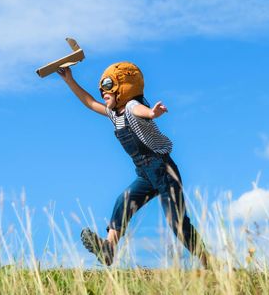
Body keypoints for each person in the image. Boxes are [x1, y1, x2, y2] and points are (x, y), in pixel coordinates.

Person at [57, 62, 209, 268]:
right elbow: (90, 103)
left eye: (108, 86)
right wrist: (69, 80)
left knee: (177, 223)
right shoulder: (114, 115)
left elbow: (140, 110)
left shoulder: (130, 107)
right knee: (124, 202)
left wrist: (153, 113)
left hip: (163, 171)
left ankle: (208, 262)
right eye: (102, 88)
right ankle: (108, 249)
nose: (103, 92)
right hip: (145, 174)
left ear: (124, 88)